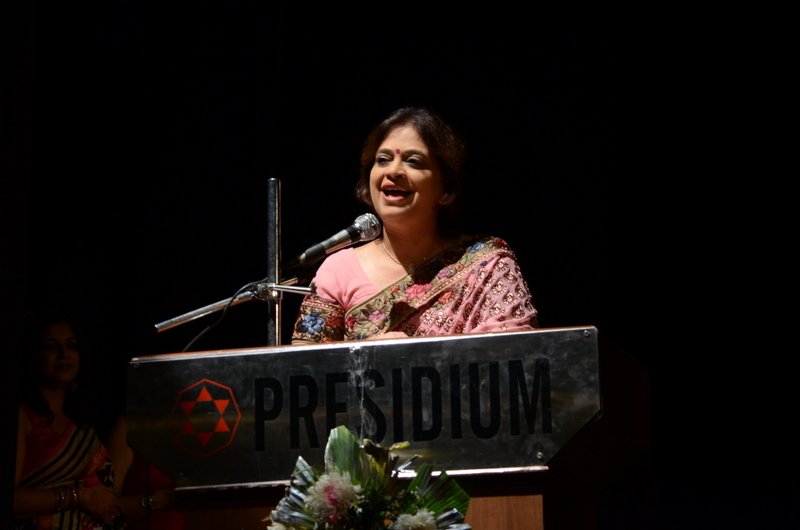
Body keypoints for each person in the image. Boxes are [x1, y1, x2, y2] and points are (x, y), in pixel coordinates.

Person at [292, 106, 538, 343]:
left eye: (414, 161)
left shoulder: (487, 263)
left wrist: (416, 356)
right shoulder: (338, 269)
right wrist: (369, 354)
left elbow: (513, 355)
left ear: (446, 190)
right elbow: (305, 365)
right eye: (383, 159)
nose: (393, 171)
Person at [14, 310, 123, 529]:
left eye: (71, 345)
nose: (64, 354)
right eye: (51, 347)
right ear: (35, 355)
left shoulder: (83, 424)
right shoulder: (23, 418)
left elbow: (106, 498)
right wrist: (77, 496)